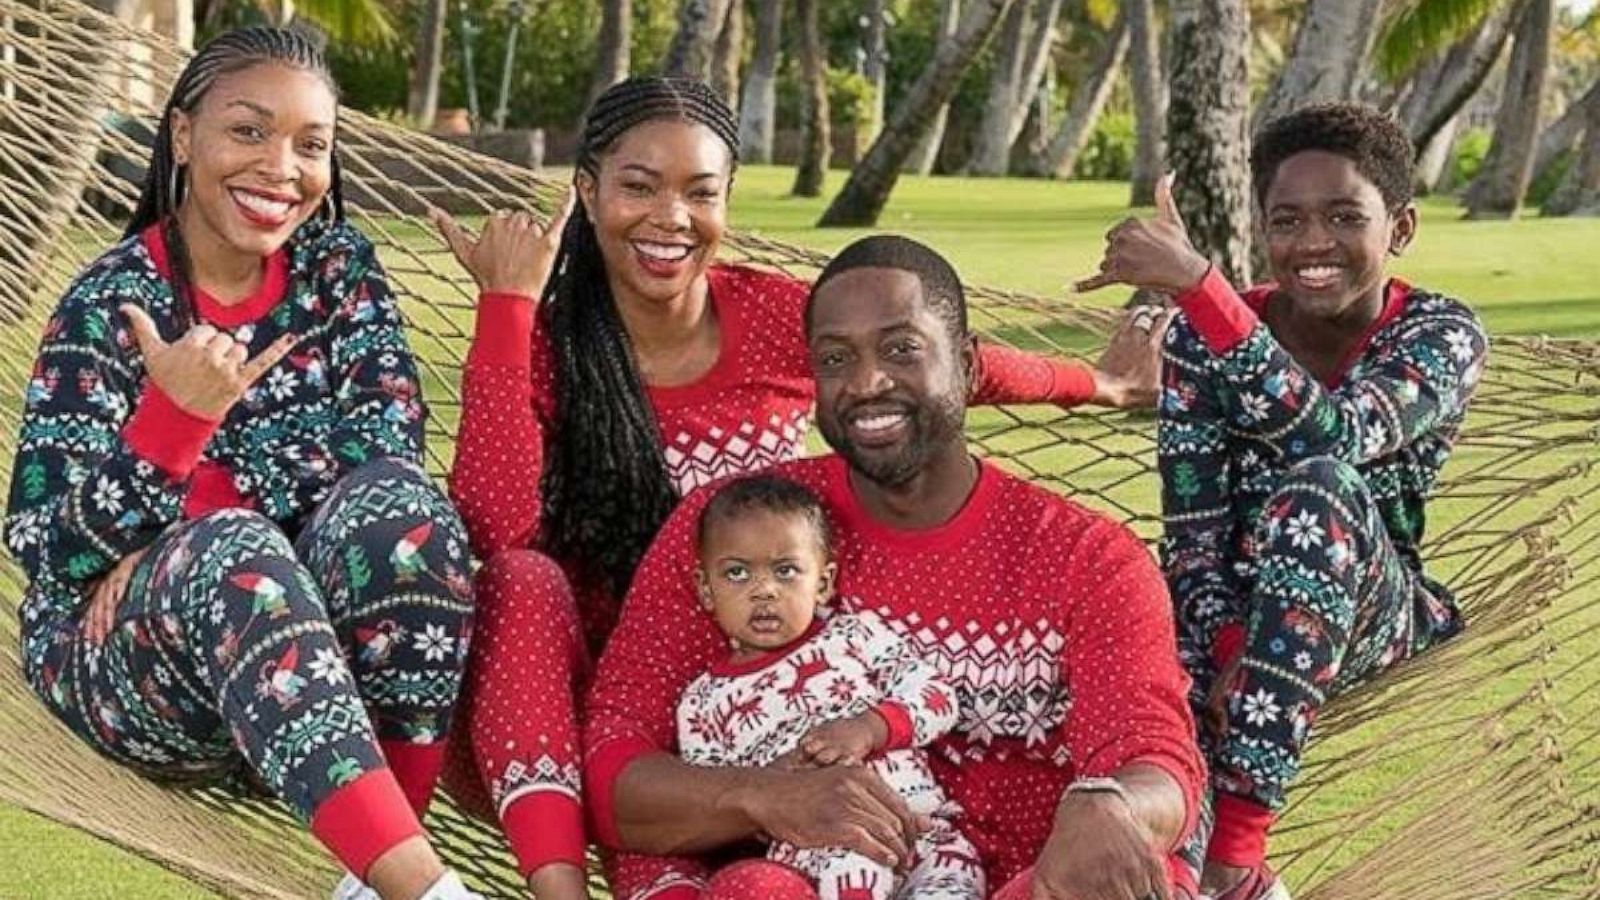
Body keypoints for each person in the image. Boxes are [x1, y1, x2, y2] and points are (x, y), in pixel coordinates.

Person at [428, 75, 1176, 898]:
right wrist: (505, 307)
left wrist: (1097, 382)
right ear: (586, 190)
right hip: (582, 721)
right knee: (522, 584)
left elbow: (928, 355)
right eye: (638, 186)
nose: (670, 217)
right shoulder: (549, 345)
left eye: (699, 192)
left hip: (776, 690)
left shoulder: (777, 320)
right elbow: (491, 527)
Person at [581, 233, 1204, 900]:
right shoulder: (742, 534)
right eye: (835, 358)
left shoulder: (1089, 558)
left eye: (902, 349)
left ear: (967, 366)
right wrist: (767, 796)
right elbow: (615, 771)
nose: (866, 383)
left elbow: (1153, 758)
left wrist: (1112, 802)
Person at [3, 28, 480, 900]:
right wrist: (171, 428)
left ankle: (368, 878)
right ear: (183, 136)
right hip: (136, 674)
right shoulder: (111, 305)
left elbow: (386, 455)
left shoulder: (340, 271)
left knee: (402, 518)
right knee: (233, 556)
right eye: (249, 132)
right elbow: (45, 546)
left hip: (310, 684)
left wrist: (184, 519)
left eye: (312, 144)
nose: (281, 169)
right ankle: (426, 891)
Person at [1077, 103, 1489, 900]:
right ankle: (1187, 877)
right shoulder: (1202, 337)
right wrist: (1236, 640)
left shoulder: (1442, 335)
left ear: (1400, 228)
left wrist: (1201, 287)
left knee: (1320, 489)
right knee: (1138, 707)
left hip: (1374, 610)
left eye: (1344, 217)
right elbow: (1192, 533)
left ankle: (1237, 851)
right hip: (1226, 609)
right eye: (1287, 219)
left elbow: (1335, 439)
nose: (1312, 244)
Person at [680, 473, 979, 900]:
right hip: (816, 849)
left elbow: (937, 695)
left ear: (822, 583)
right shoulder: (703, 704)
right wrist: (773, 782)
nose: (764, 591)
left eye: (786, 571)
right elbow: (711, 804)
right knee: (850, 864)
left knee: (953, 887)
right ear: (706, 589)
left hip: (924, 834)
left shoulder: (853, 638)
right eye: (737, 573)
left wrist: (869, 728)